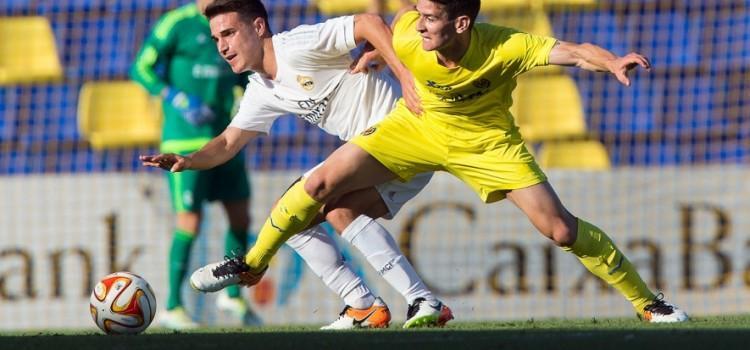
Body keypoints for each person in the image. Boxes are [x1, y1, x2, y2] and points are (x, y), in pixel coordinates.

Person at [187, 0, 690, 323]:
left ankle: (649, 302)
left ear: (462, 23)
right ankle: (255, 263)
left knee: (559, 230)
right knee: (318, 189)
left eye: (431, 19)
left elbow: (574, 52)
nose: (420, 26)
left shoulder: (506, 45)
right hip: (413, 129)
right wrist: (391, 60)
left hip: (487, 144)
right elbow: (381, 23)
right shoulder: (410, 34)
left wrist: (611, 61)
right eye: (420, 17)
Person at [140, 0, 453, 329]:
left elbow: (369, 22)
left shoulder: (297, 45)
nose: (222, 46)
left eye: (229, 33)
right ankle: (373, 305)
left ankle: (411, 301)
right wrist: (188, 160)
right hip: (378, 156)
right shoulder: (261, 89)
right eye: (217, 39)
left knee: (301, 199)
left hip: (403, 133)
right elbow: (228, 143)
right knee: (310, 218)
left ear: (258, 27)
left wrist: (404, 75)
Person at [130, 0, 260, 329]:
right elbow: (141, 68)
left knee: (241, 215)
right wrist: (177, 98)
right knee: (190, 220)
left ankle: (231, 294)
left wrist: (244, 102)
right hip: (184, 140)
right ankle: (173, 305)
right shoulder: (176, 23)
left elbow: (244, 78)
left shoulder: (233, 25)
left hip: (224, 140)